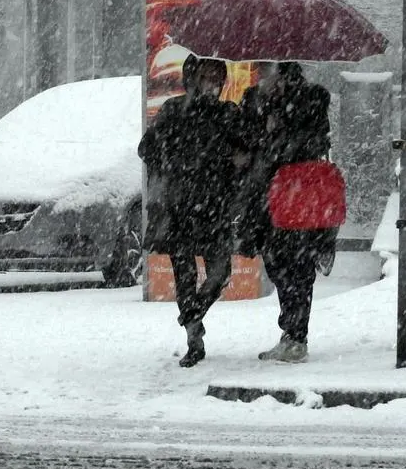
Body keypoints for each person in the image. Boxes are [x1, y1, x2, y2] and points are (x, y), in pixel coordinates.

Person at [137, 56, 246, 367]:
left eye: (218, 77)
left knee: (220, 272)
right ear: (192, 79)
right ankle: (194, 338)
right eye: (207, 76)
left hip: (215, 207)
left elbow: (246, 152)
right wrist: (176, 160)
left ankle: (192, 312)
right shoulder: (175, 109)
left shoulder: (228, 113)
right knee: (184, 275)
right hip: (180, 206)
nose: (214, 83)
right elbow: (146, 149)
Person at [240, 60, 335, 364]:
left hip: (298, 193)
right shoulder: (254, 99)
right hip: (271, 196)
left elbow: (315, 142)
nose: (259, 75)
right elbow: (247, 143)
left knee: (297, 265)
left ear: (281, 70)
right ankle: (292, 332)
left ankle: (295, 335)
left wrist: (276, 131)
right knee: (279, 264)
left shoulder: (312, 98)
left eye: (265, 69)